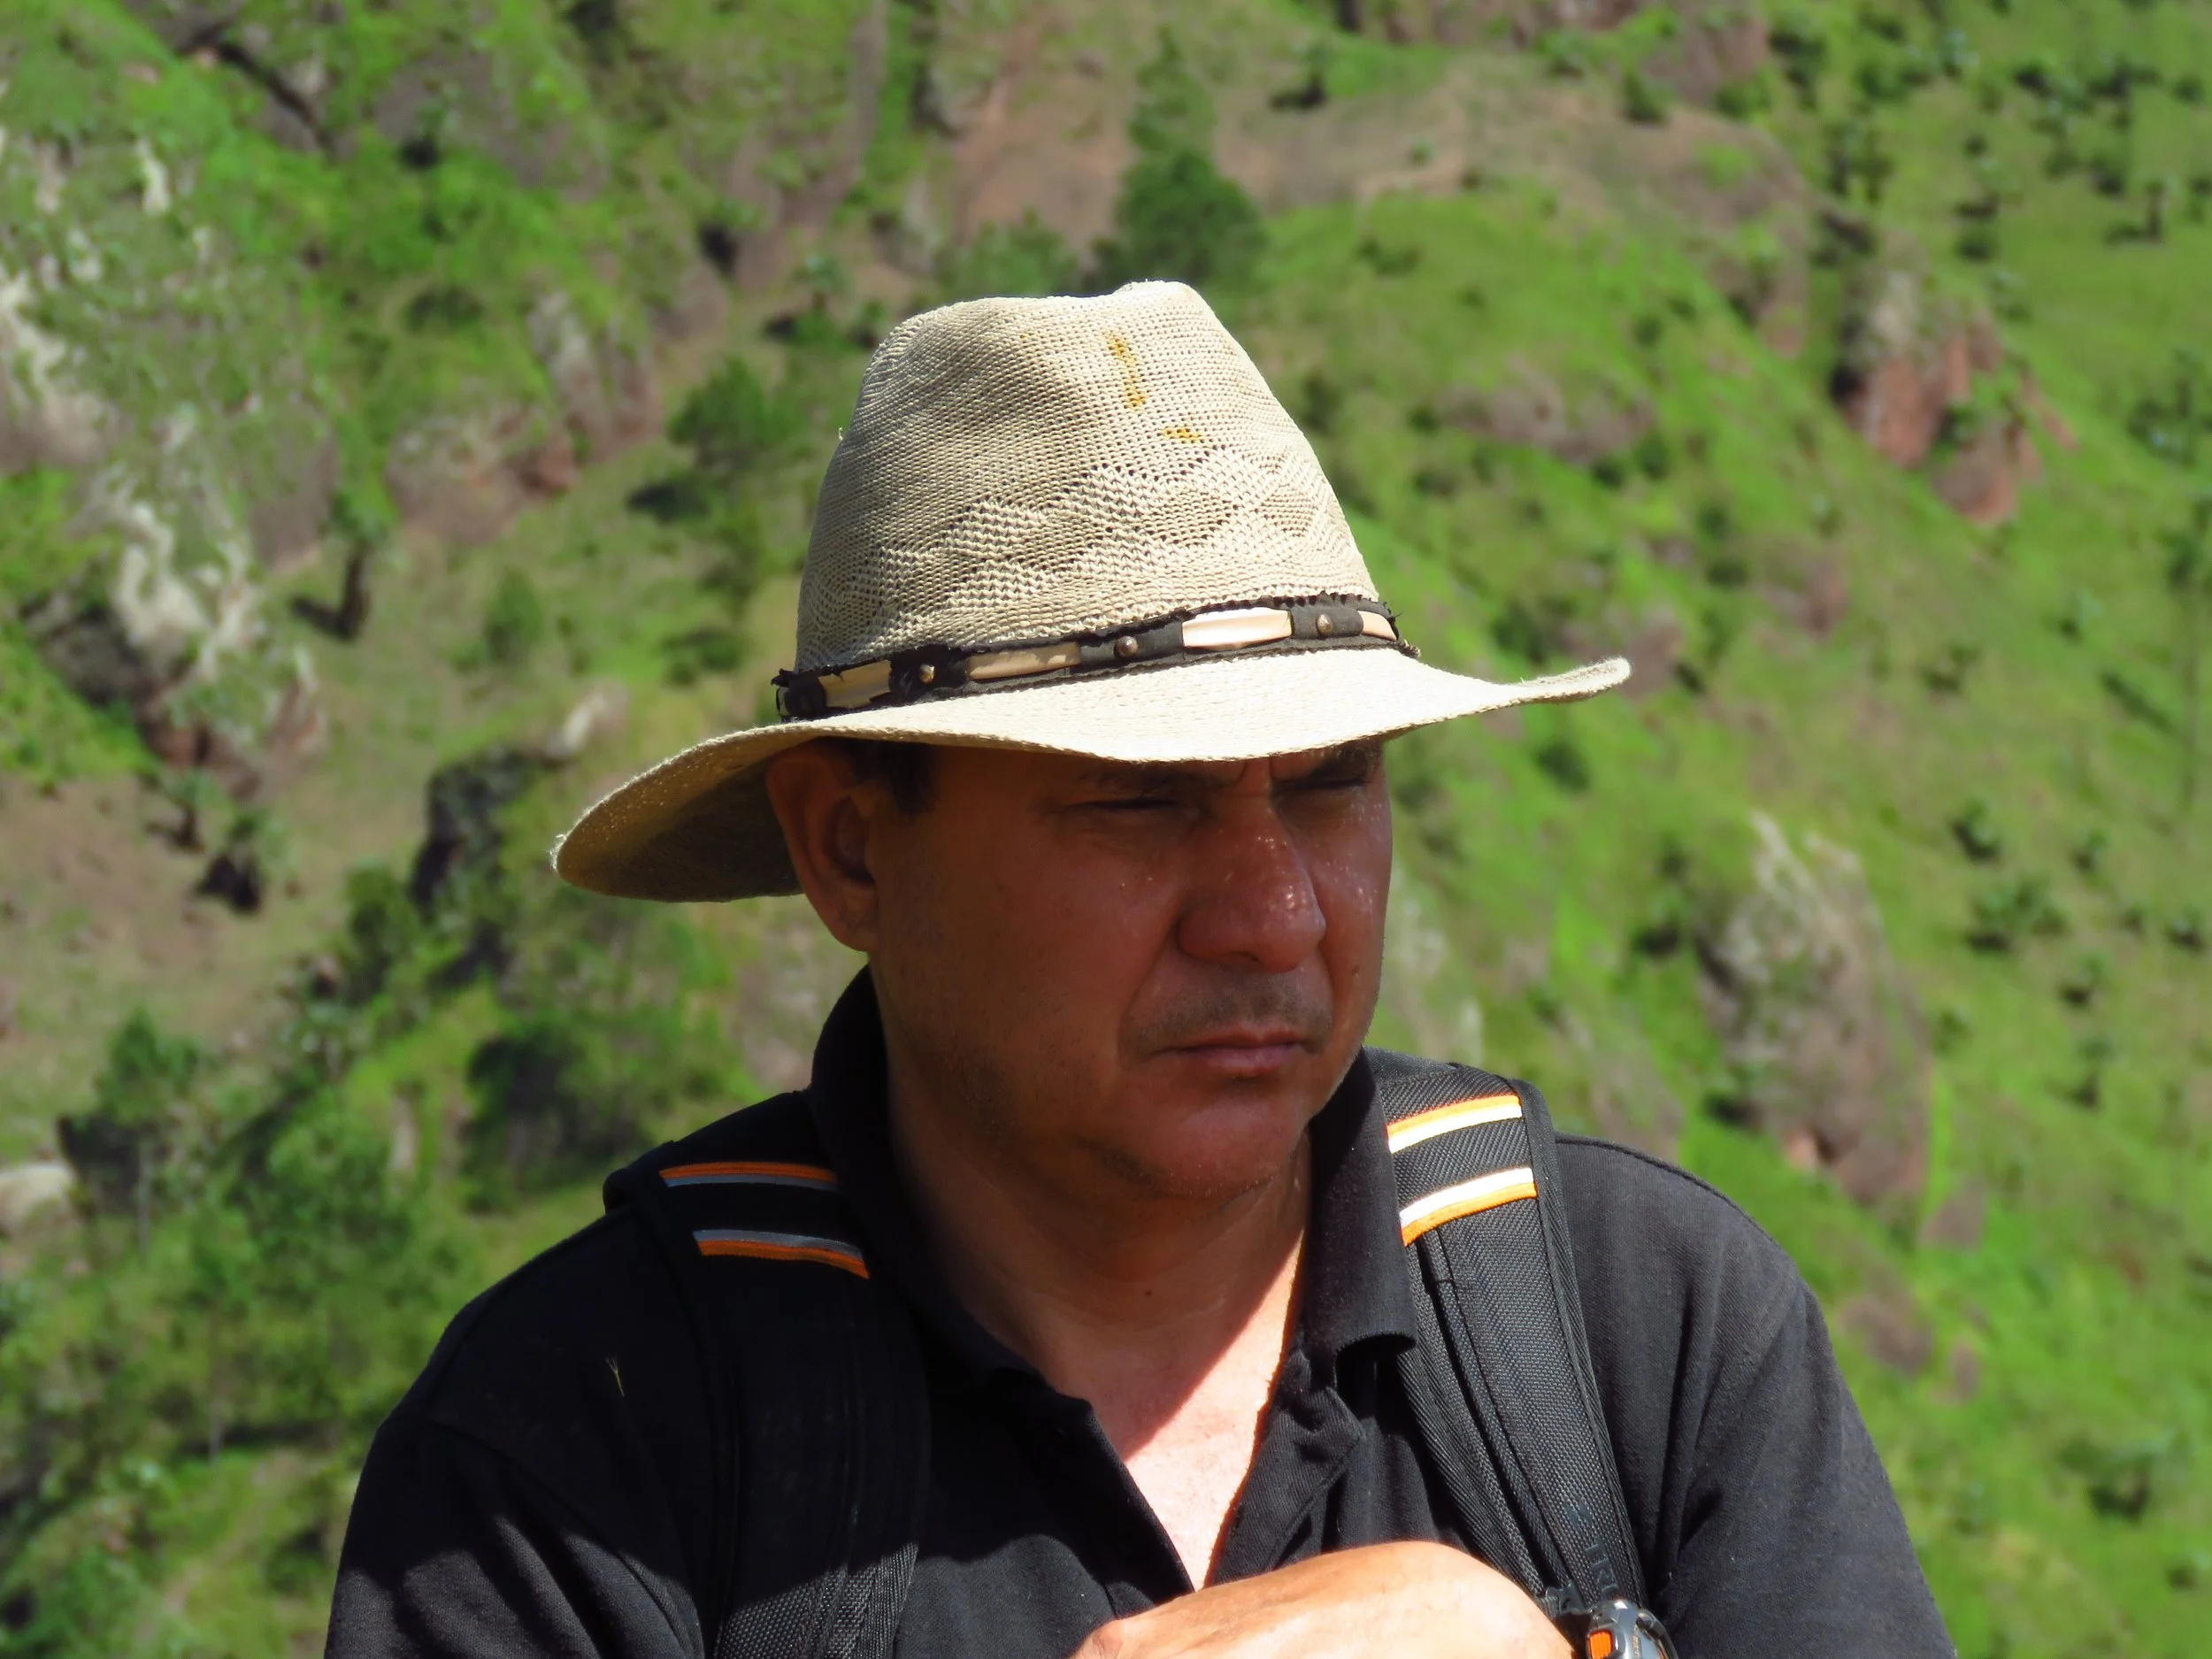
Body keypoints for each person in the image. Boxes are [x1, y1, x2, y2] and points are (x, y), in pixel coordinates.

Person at [326, 282, 1953, 1658]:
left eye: (1331, 781)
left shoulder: (1640, 1325)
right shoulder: (578, 1446)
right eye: (1137, 801)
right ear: (852, 850)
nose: (1270, 912)